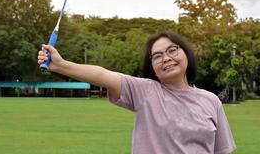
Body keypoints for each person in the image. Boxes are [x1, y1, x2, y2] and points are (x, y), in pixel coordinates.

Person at [37, 32, 236, 154]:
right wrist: (61, 65)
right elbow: (103, 75)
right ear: (152, 66)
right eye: (157, 56)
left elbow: (221, 151)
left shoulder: (211, 101)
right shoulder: (146, 91)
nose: (165, 58)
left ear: (186, 53)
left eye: (172, 50)